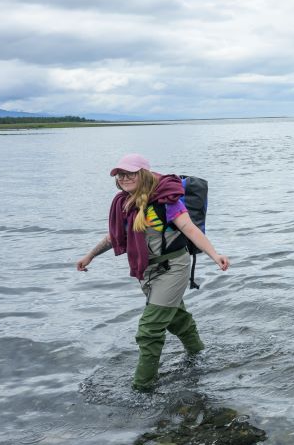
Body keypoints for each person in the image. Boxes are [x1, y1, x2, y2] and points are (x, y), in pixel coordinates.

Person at [76, 154, 229, 391]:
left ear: (144, 174)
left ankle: (142, 388)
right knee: (177, 320)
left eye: (130, 173)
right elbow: (114, 237)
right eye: (120, 175)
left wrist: (214, 254)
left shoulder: (167, 201)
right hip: (147, 272)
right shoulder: (124, 203)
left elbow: (189, 229)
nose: (124, 178)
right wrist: (90, 255)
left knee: (149, 330)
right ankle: (199, 355)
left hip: (173, 269)